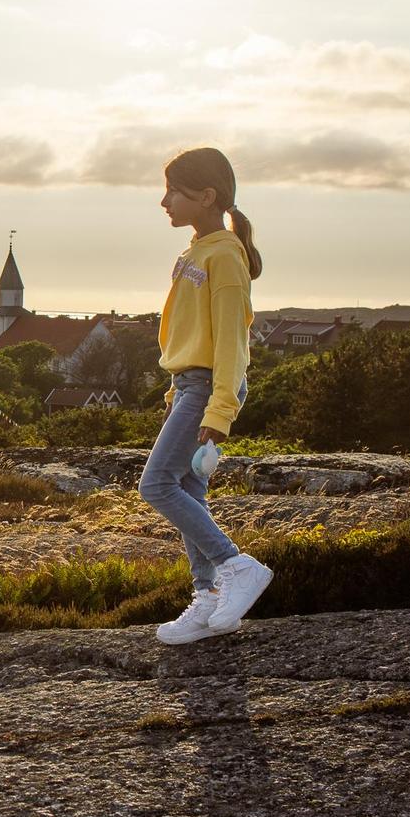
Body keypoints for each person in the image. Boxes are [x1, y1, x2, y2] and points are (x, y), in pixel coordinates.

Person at [139, 146, 273, 644]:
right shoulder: (195, 250)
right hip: (189, 385)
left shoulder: (224, 256)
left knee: (156, 486)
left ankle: (235, 565)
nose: (164, 200)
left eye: (174, 189)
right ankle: (211, 598)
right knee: (190, 491)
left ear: (207, 195)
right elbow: (191, 331)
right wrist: (177, 389)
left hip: (209, 386)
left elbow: (234, 342)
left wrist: (219, 408)